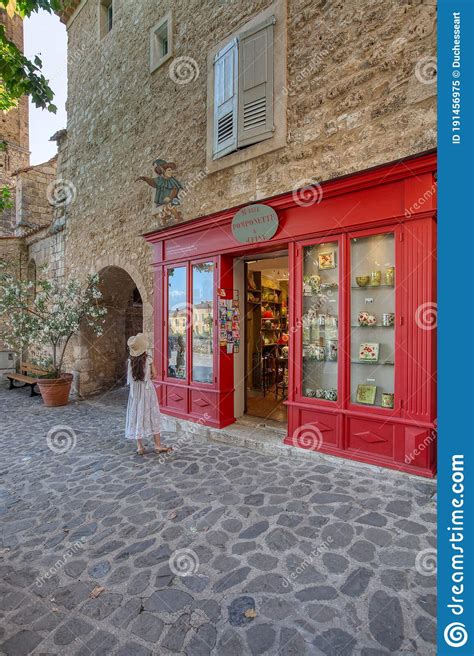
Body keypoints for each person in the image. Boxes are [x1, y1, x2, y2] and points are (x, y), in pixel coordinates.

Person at [125, 333, 172, 456]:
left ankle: (140, 446)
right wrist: (148, 375)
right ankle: (157, 445)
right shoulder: (148, 360)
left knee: (136, 414)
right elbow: (155, 375)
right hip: (147, 391)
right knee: (153, 414)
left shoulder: (130, 362)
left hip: (135, 393)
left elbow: (130, 379)